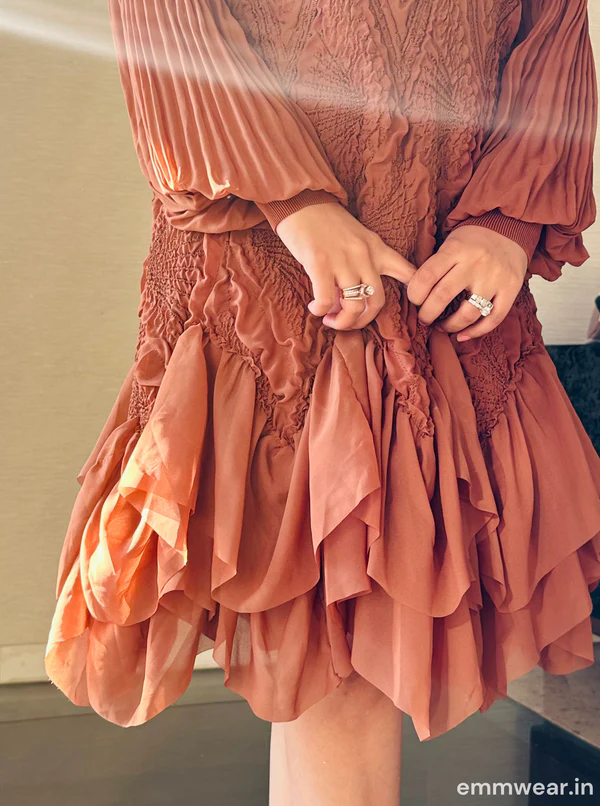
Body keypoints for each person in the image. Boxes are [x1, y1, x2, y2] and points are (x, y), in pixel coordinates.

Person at [45, 1, 600, 803]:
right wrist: (298, 206)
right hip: (276, 262)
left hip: (446, 250)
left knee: (360, 634)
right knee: (327, 630)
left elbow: (551, 22)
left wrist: (506, 223)